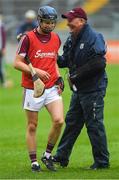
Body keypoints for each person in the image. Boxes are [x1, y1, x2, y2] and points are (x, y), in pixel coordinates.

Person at [53, 7, 110, 170]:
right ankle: (62, 157)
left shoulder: (94, 37)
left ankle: (102, 162)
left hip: (93, 89)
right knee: (72, 123)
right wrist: (51, 54)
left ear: (82, 21)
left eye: (71, 20)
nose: (68, 23)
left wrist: (75, 76)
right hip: (79, 90)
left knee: (94, 125)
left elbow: (99, 63)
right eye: (67, 19)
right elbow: (64, 61)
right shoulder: (72, 39)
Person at [14, 6, 64, 172]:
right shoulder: (28, 38)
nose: (50, 25)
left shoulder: (56, 38)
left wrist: (58, 77)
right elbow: (17, 63)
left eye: (52, 22)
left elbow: (54, 60)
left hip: (51, 88)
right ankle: (34, 162)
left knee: (59, 121)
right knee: (32, 126)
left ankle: (47, 155)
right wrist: (36, 71)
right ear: (39, 21)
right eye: (47, 22)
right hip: (32, 88)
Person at [0, 13, 6, 86]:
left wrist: (3, 48)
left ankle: (3, 82)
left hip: (0, 49)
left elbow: (3, 37)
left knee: (1, 66)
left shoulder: (1, 25)